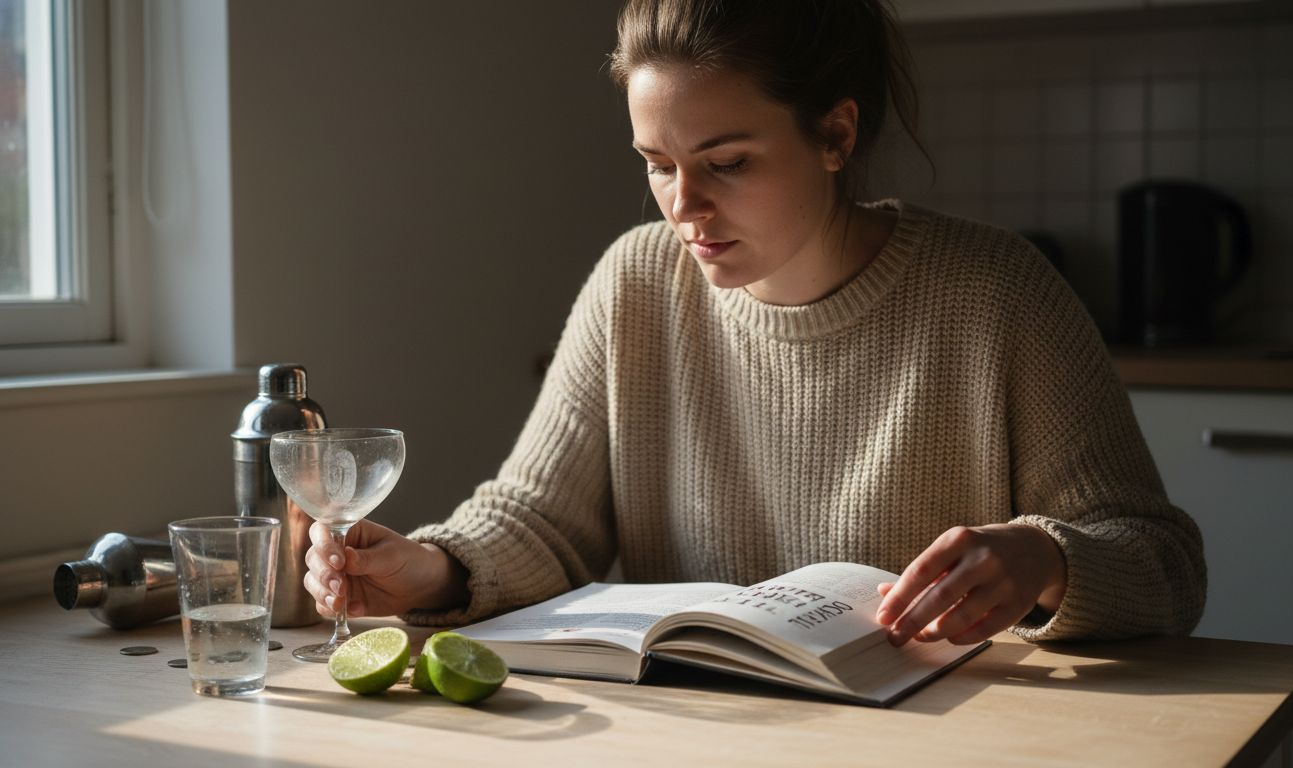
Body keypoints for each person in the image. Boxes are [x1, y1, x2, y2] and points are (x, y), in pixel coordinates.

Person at [303, 0, 1206, 648]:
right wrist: (434, 568)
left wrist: (1044, 558)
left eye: (725, 162)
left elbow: (1164, 564)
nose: (683, 206)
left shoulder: (995, 293)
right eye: (656, 163)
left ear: (837, 135)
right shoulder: (636, 282)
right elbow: (542, 519)